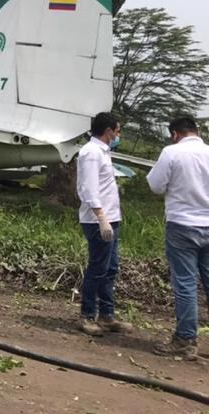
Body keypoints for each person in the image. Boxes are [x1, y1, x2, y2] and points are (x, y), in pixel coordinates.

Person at [147, 115, 209, 361]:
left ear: (175, 134)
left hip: (182, 225)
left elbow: (155, 185)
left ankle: (185, 339)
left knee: (185, 285)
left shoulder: (171, 153)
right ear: (196, 131)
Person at [75, 112, 132, 336]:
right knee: (98, 268)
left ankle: (107, 316)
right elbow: (88, 189)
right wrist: (101, 218)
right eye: (118, 131)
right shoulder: (91, 153)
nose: (119, 135)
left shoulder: (103, 152)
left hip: (110, 219)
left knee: (110, 268)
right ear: (108, 131)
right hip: (98, 220)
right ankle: (87, 315)